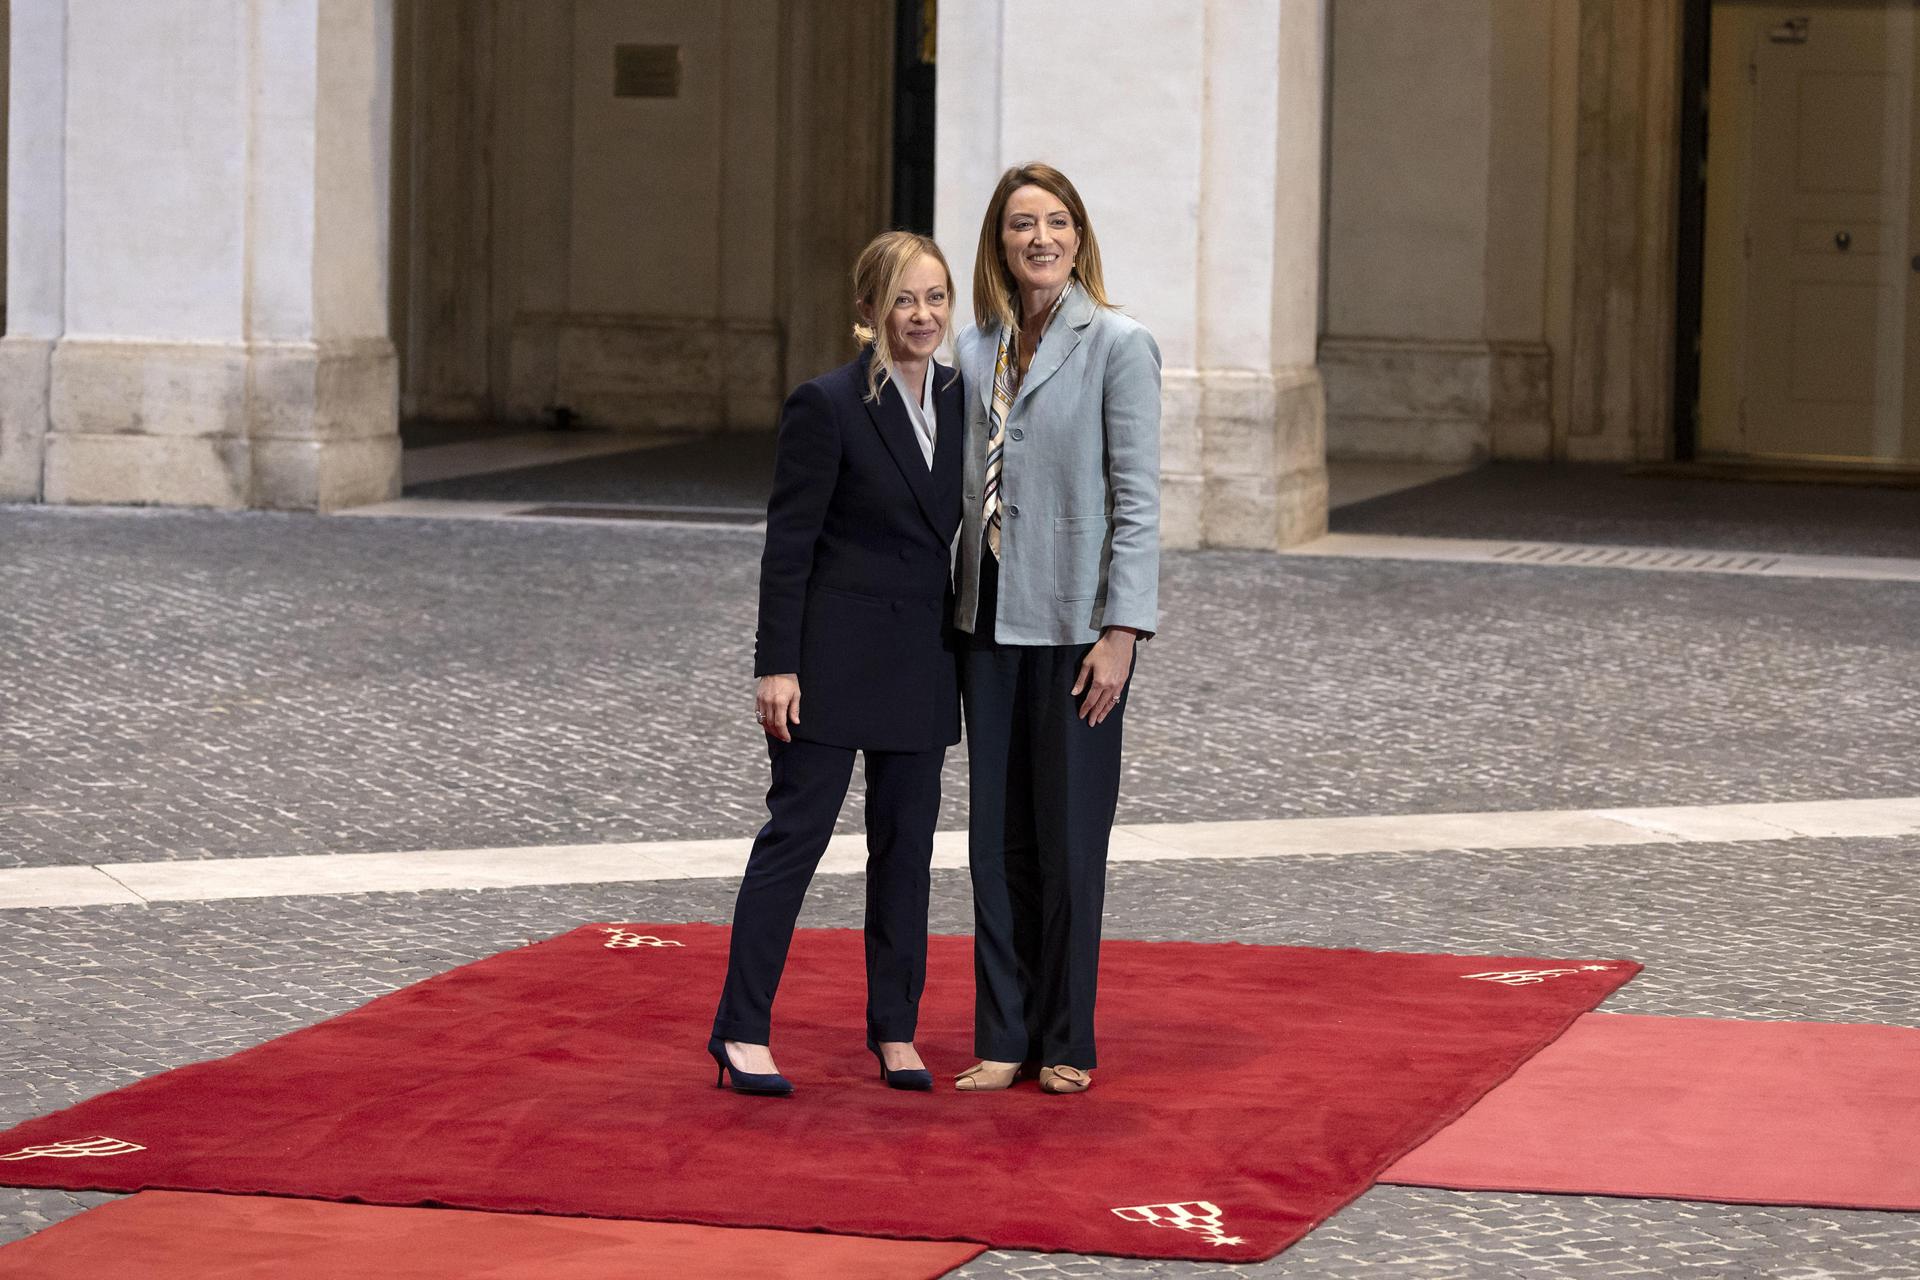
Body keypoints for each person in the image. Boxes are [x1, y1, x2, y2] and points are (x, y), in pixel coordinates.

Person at [708, 231, 964, 1096]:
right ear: (867, 311)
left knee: (907, 851)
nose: (921, 315)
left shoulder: (968, 401)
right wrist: (776, 665)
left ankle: (895, 1028)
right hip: (829, 660)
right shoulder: (827, 404)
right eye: (902, 298)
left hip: (924, 660)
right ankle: (740, 1030)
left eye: (934, 297)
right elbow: (790, 546)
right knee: (795, 839)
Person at [950, 164, 1161, 1096]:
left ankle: (1066, 1038)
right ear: (998, 241)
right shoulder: (975, 348)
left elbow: (1139, 503)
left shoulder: (1118, 344)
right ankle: (1003, 1034)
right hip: (984, 617)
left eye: (1058, 222)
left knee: (1070, 840)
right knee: (993, 842)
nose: (1041, 238)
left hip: (1077, 625)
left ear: (1080, 237)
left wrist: (1122, 631)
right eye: (1022, 224)